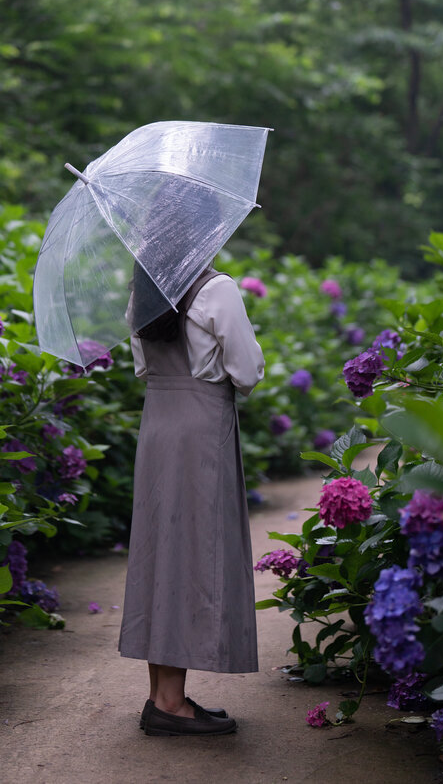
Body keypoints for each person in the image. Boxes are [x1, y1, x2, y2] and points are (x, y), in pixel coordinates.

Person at [118, 261, 265, 736]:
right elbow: (247, 372)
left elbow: (143, 365)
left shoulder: (145, 287)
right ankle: (170, 702)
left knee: (162, 550)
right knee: (192, 552)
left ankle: (164, 695)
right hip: (201, 426)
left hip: (158, 422)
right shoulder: (215, 287)